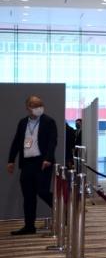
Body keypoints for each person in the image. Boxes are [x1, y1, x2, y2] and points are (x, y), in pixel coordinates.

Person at [7, 96, 57, 235]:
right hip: (27, 164)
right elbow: (17, 142)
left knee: (42, 191)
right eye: (35, 106)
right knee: (28, 196)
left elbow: (52, 142)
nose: (38, 108)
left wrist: (48, 158)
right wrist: (11, 160)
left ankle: (63, 210)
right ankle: (29, 226)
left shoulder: (49, 121)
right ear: (28, 107)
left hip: (43, 163)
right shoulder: (23, 122)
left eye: (40, 105)